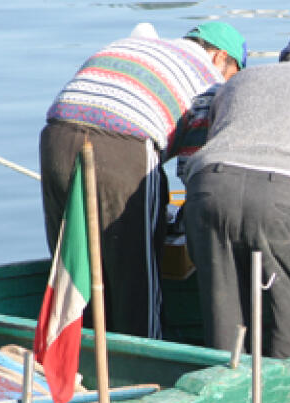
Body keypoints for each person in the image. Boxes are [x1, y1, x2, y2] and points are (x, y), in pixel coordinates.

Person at [39, 21, 245, 339]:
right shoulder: (208, 78)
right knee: (135, 272)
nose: (229, 85)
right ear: (220, 57)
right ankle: (143, 360)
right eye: (235, 74)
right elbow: (196, 173)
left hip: (57, 133)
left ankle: (75, 357)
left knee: (71, 263)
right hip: (122, 141)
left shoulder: (142, 48)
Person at [182, 27, 290, 358]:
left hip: (209, 188)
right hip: (285, 196)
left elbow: (205, 136)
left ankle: (227, 390)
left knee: (223, 310)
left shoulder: (240, 80)